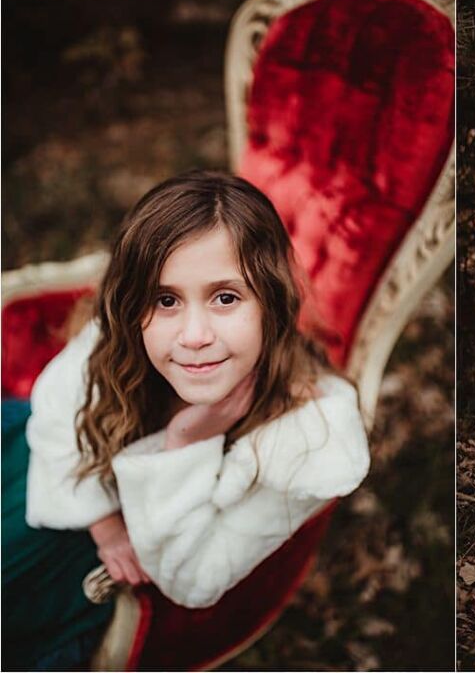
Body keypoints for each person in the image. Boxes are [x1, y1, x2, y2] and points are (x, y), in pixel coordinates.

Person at [2, 172, 370, 670]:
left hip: (72, 565)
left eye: (226, 298)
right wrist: (106, 526)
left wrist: (184, 442)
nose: (194, 335)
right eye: (166, 299)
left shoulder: (303, 440)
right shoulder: (119, 345)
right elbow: (53, 419)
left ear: (272, 301)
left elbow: (195, 578)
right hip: (44, 476)